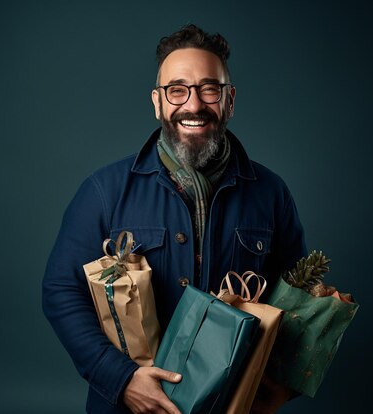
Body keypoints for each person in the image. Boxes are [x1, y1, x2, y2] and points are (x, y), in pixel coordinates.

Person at [43, 23, 307, 413]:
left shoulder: (271, 193)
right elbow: (62, 291)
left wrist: (280, 384)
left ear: (229, 100)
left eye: (209, 89)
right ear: (157, 102)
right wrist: (120, 378)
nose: (194, 105)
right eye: (177, 90)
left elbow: (297, 298)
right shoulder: (104, 190)